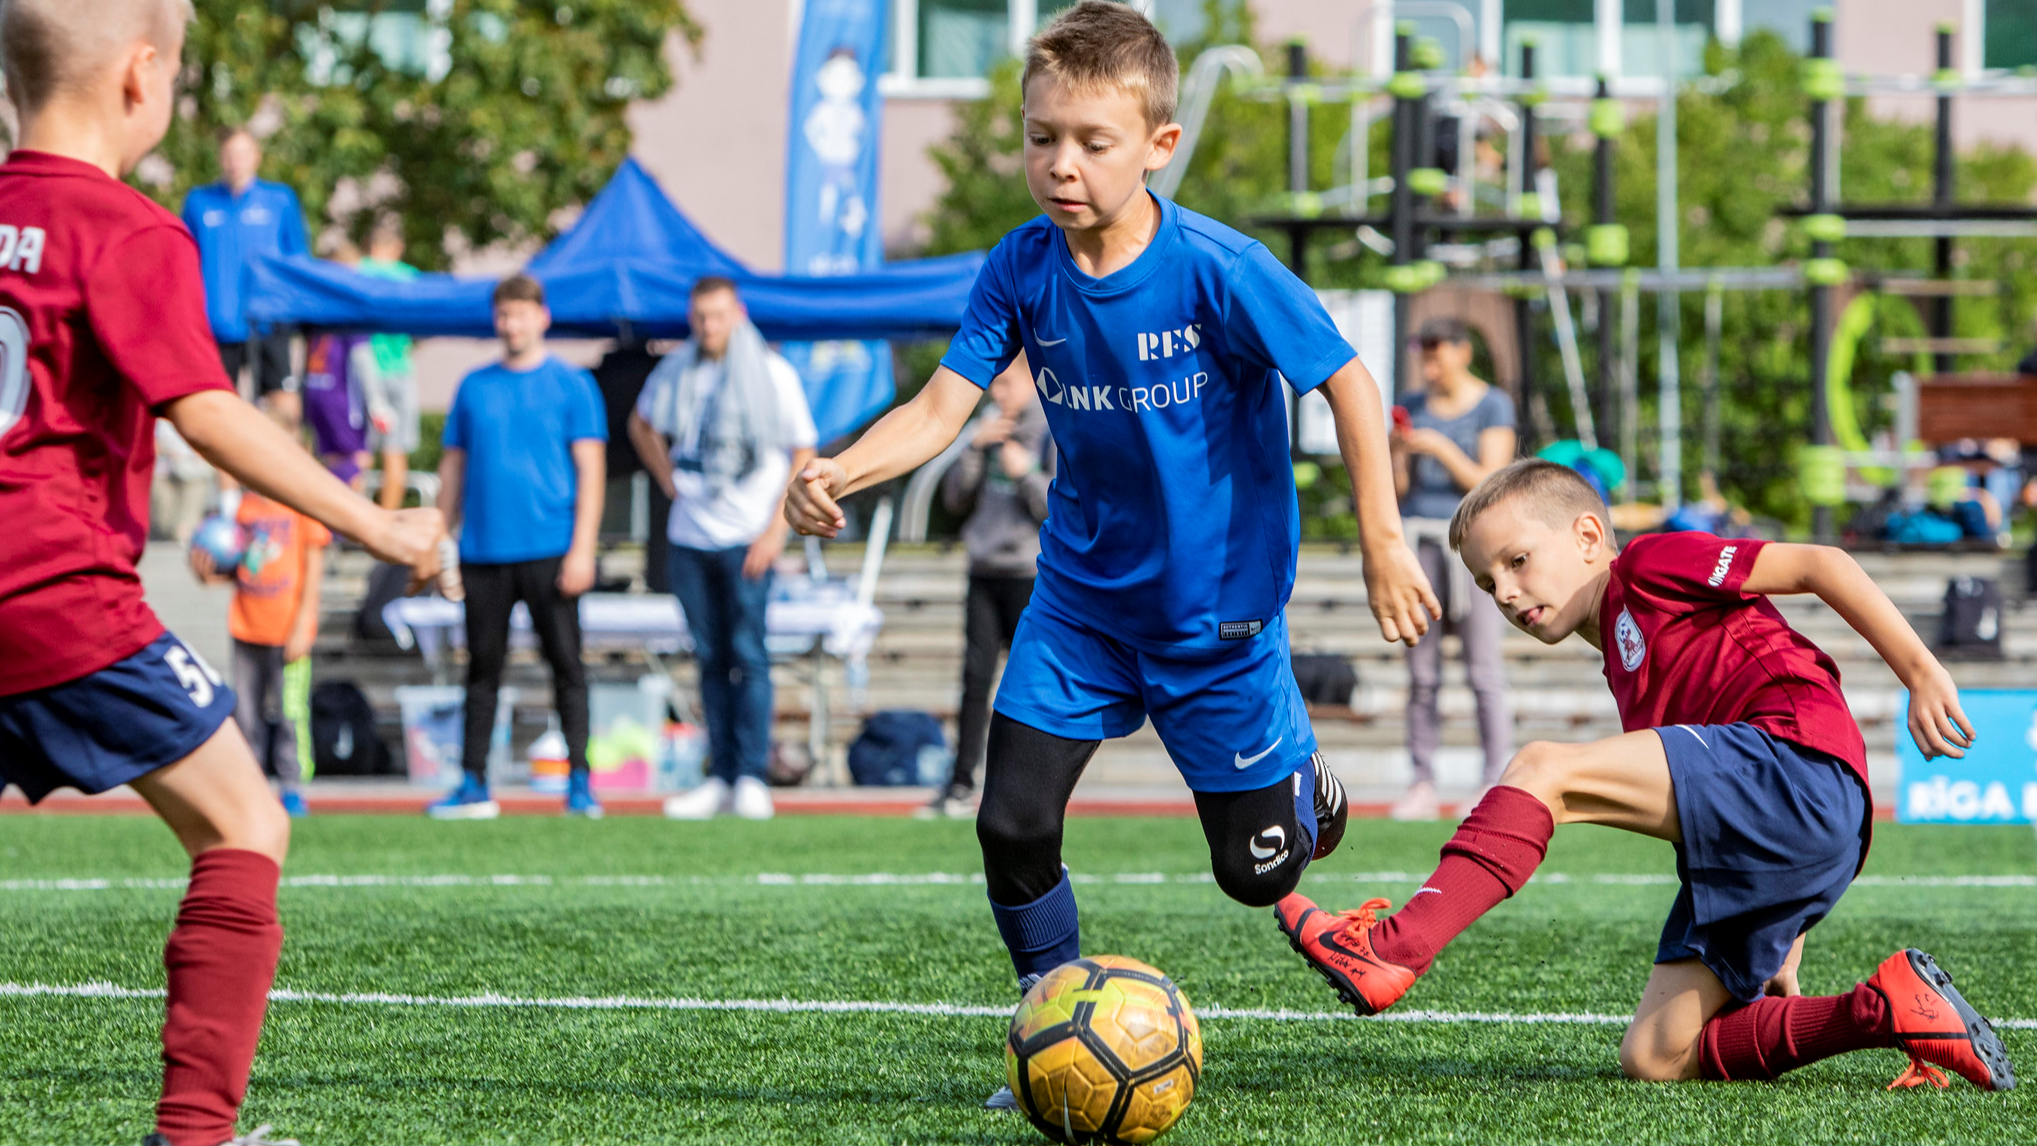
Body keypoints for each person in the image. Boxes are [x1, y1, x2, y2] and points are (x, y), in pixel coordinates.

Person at [783, 2, 1436, 1106]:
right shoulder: (1020, 268)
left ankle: (1305, 788)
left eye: (1092, 142)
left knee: (1255, 874)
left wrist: (1378, 538)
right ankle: (1050, 1016)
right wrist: (841, 468)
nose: (1062, 164)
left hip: (1219, 623)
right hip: (1081, 605)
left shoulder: (1218, 268)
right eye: (1044, 137)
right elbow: (945, 405)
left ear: (1158, 146)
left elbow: (1349, 381)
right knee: (1011, 821)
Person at [0, 4, 446, 1143]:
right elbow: (207, 414)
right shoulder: (131, 231)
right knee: (245, 823)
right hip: (54, 598)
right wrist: (380, 527)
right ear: (142, 79)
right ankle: (192, 1134)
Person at [1276, 460, 2017, 1093]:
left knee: (1542, 769)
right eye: (1483, 579)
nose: (1501, 592)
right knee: (1656, 1057)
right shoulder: (1624, 668)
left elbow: (1823, 563)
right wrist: (1783, 934)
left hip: (1796, 761)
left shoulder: (1648, 566)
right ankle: (1882, 1010)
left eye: (1516, 561)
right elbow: (1707, 792)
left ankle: (1391, 949)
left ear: (1589, 538)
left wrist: (1920, 671)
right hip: (1792, 831)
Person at [629, 277, 818, 822]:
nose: (708, 328)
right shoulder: (677, 370)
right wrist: (667, 480)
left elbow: (802, 445)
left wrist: (776, 528)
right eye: (699, 318)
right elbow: (642, 425)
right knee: (709, 660)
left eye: (716, 316)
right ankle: (720, 775)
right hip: (690, 536)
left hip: (749, 538)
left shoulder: (773, 373)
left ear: (736, 313)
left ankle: (753, 776)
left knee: (750, 657)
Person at [430, 274, 608, 820]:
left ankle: (579, 782)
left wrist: (582, 549)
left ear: (542, 317)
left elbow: (591, 471)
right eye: (504, 314)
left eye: (521, 313)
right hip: (483, 551)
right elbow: (453, 469)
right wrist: (439, 542)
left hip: (552, 548)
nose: (512, 324)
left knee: (567, 667)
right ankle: (473, 782)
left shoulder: (572, 384)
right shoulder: (473, 387)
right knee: (482, 671)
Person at [1389, 316, 1517, 820]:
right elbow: (1396, 489)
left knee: (1484, 670)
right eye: (1424, 350)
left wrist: (1439, 446)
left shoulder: (1493, 404)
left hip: (1472, 545)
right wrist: (1399, 451)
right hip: (1418, 541)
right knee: (1421, 675)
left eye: (1438, 350)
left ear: (1464, 351)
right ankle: (1422, 781)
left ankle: (1495, 781)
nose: (1430, 361)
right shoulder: (1412, 404)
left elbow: (1493, 481)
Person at [922, 356, 1051, 819]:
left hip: (1030, 574)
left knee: (1029, 686)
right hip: (983, 570)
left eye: (1006, 384)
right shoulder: (985, 427)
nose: (997, 393)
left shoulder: (1052, 425)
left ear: (1031, 380)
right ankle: (961, 783)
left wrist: (1024, 474)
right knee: (975, 681)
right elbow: (954, 500)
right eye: (993, 385)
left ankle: (1028, 790)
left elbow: (1057, 511)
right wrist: (973, 449)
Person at [190, 407, 332, 820]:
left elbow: (313, 573)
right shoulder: (245, 510)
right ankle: (250, 786)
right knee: (247, 716)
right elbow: (239, 570)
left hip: (288, 630)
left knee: (290, 713)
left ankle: (292, 786)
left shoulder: (301, 507)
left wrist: (304, 625)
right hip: (245, 625)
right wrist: (208, 576)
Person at [180, 126, 309, 423]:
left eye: (242, 154)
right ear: (220, 158)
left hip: (270, 323)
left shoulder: (280, 200)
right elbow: (184, 262)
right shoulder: (199, 202)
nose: (235, 161)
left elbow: (298, 262)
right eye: (228, 154)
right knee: (221, 412)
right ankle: (226, 472)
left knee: (283, 406)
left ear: (256, 157)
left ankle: (283, 470)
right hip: (218, 325)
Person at [357, 218, 423, 510]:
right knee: (395, 453)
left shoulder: (359, 272)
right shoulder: (410, 278)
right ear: (398, 247)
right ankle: (387, 521)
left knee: (358, 452)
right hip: (398, 371)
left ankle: (353, 523)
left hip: (364, 371)